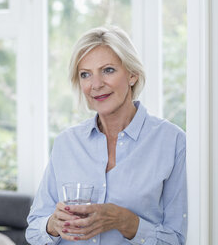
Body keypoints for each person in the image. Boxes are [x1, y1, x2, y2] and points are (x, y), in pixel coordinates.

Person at [25, 26, 187, 245]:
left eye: (108, 70)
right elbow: (34, 230)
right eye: (85, 75)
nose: (96, 84)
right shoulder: (67, 143)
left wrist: (125, 221)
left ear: (132, 74)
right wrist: (52, 224)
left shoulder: (172, 142)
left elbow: (178, 238)